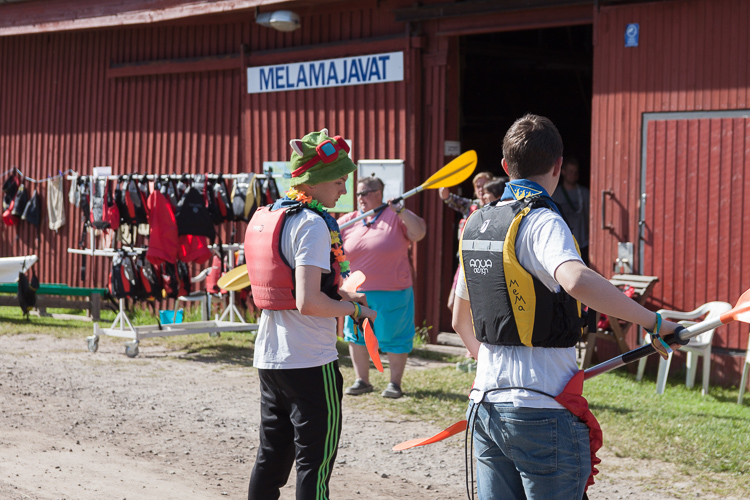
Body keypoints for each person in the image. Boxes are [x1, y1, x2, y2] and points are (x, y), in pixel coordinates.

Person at [452, 114, 681, 499]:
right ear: (558, 166)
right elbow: (575, 279)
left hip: (486, 405)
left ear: (506, 166)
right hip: (541, 411)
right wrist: (652, 321)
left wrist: (498, 375)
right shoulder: (542, 221)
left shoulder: (475, 225)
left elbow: (460, 321)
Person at [245, 128, 377, 500]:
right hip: (309, 360)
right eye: (338, 181)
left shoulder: (271, 213)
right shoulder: (313, 224)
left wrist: (342, 292)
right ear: (314, 182)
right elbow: (307, 302)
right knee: (314, 467)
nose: (344, 190)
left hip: (270, 358)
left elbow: (292, 285)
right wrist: (355, 309)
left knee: (270, 459)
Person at [338, 175, 427, 399]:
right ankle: (362, 380)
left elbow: (419, 233)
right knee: (357, 336)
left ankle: (394, 384)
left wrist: (401, 210)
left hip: (393, 291)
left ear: (378, 193)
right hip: (356, 292)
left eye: (364, 193)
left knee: (394, 337)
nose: (360, 197)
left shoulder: (395, 215)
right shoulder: (350, 220)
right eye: (358, 193)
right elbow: (329, 241)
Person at [439, 171, 494, 313]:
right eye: (478, 186)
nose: (481, 189)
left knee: (479, 306)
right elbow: (448, 198)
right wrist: (444, 191)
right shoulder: (470, 206)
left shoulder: (497, 208)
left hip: (484, 263)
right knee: (452, 303)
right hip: (464, 262)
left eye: (484, 185)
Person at [551, 156, 590, 263]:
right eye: (570, 172)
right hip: (563, 244)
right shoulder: (555, 194)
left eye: (575, 172)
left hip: (583, 243)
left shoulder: (585, 194)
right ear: (563, 172)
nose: (573, 175)